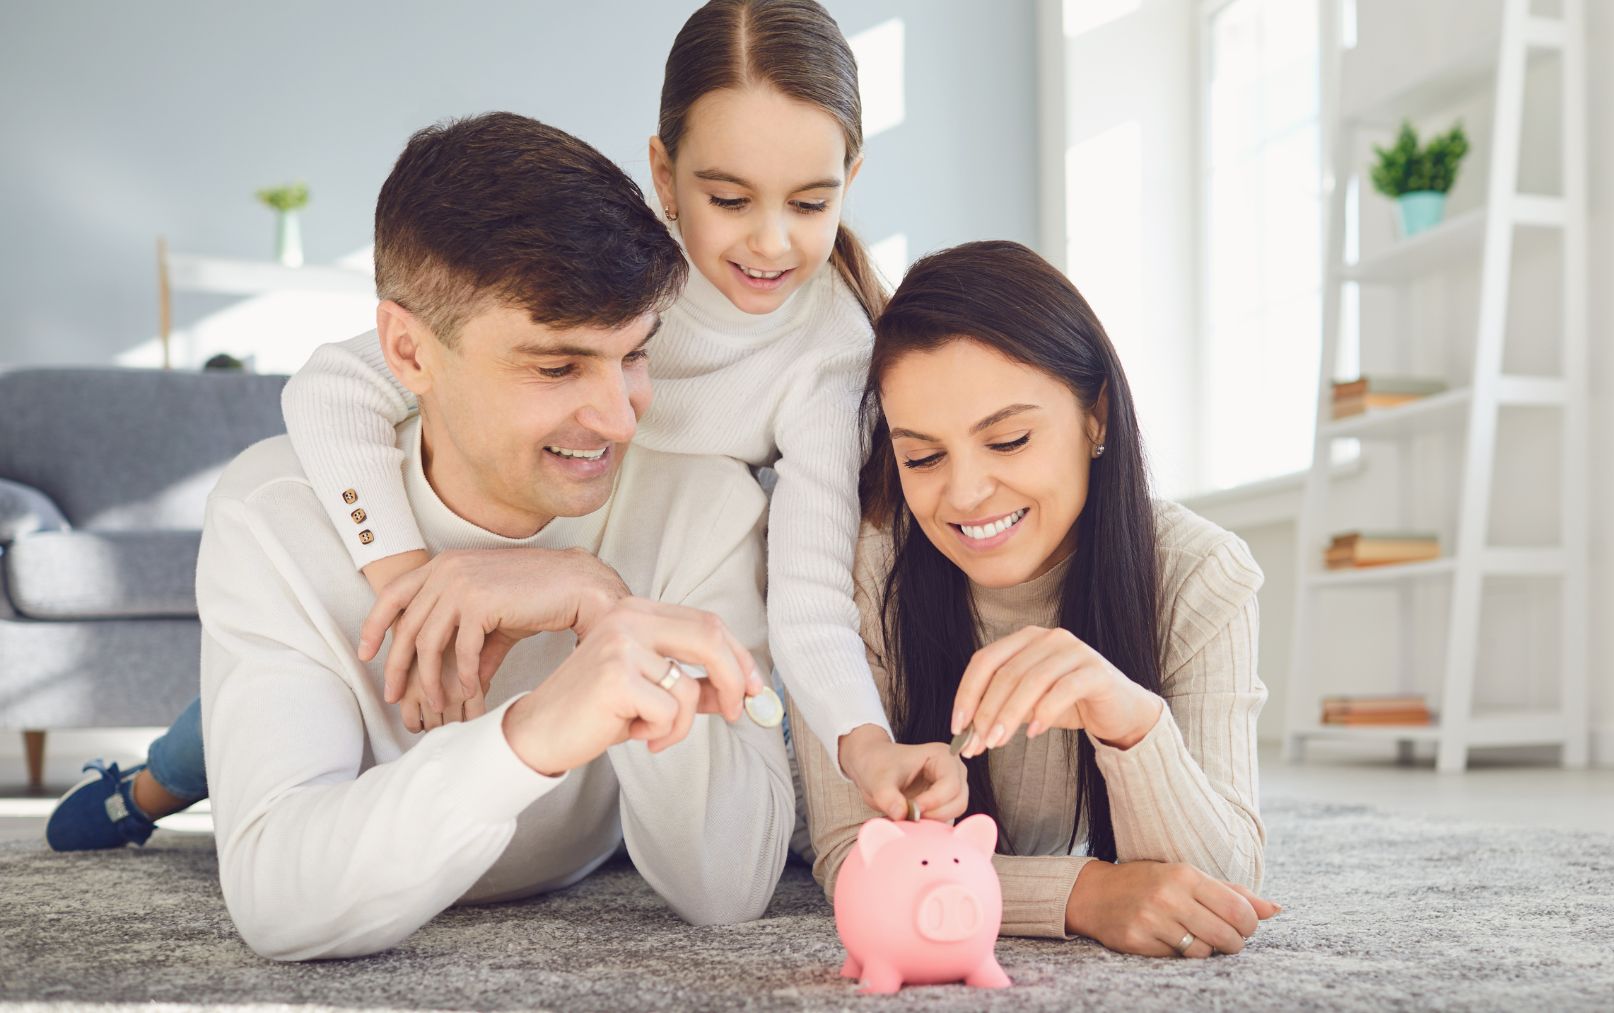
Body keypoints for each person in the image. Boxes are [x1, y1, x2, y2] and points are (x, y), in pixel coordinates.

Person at [46, 0, 959, 853]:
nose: (768, 244)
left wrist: (864, 744)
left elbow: (807, 591)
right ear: (663, 176)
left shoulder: (833, 354)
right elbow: (330, 389)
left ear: (852, 179)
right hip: (491, 529)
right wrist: (417, 580)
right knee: (310, 678)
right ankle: (152, 789)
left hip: (629, 559)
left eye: (809, 202)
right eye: (729, 199)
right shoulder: (609, 272)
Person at [161, 112, 793, 959]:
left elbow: (727, 888)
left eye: (636, 355)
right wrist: (530, 735)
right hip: (260, 709)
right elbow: (278, 902)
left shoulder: (701, 502)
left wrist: (610, 611)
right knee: (191, 755)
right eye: (557, 366)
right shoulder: (273, 515)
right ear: (408, 353)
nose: (619, 418)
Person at [791, 241, 1282, 959]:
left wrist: (1129, 722)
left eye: (1009, 439)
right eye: (922, 457)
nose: (963, 494)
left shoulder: (1202, 572)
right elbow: (850, 857)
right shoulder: (864, 573)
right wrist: (1083, 893)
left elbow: (1222, 884)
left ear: (1097, 418)